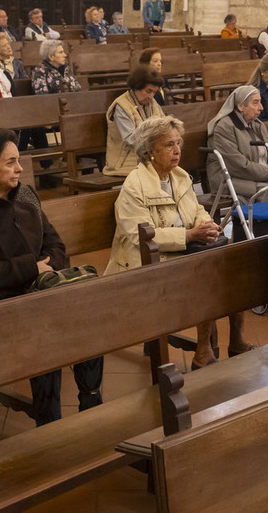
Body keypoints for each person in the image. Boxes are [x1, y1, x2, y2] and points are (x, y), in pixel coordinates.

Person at [0, 129, 103, 424]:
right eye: (10, 163)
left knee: (86, 308)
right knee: (43, 326)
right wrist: (33, 268)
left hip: (43, 290)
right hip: (0, 304)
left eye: (18, 161)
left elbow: (56, 245)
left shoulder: (27, 196)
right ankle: (49, 419)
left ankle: (91, 403)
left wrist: (46, 268)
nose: (19, 168)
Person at [106, 116, 249, 368]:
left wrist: (207, 226)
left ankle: (236, 341)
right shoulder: (134, 186)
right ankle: (203, 350)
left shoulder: (180, 177)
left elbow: (196, 212)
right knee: (207, 276)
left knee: (234, 269)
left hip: (182, 255)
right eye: (169, 145)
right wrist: (189, 236)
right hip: (144, 264)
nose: (177, 150)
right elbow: (142, 236)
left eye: (178, 143)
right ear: (150, 150)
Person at [206, 85, 268, 203]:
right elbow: (238, 166)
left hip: (263, 178)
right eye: (255, 103)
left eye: (260, 102)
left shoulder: (258, 125)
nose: (261, 108)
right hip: (234, 181)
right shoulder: (224, 127)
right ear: (241, 106)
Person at [102, 64, 165, 177]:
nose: (151, 96)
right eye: (148, 91)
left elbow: (165, 127)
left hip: (149, 156)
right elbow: (131, 140)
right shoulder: (122, 106)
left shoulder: (152, 103)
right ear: (137, 86)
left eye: (154, 92)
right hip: (124, 161)